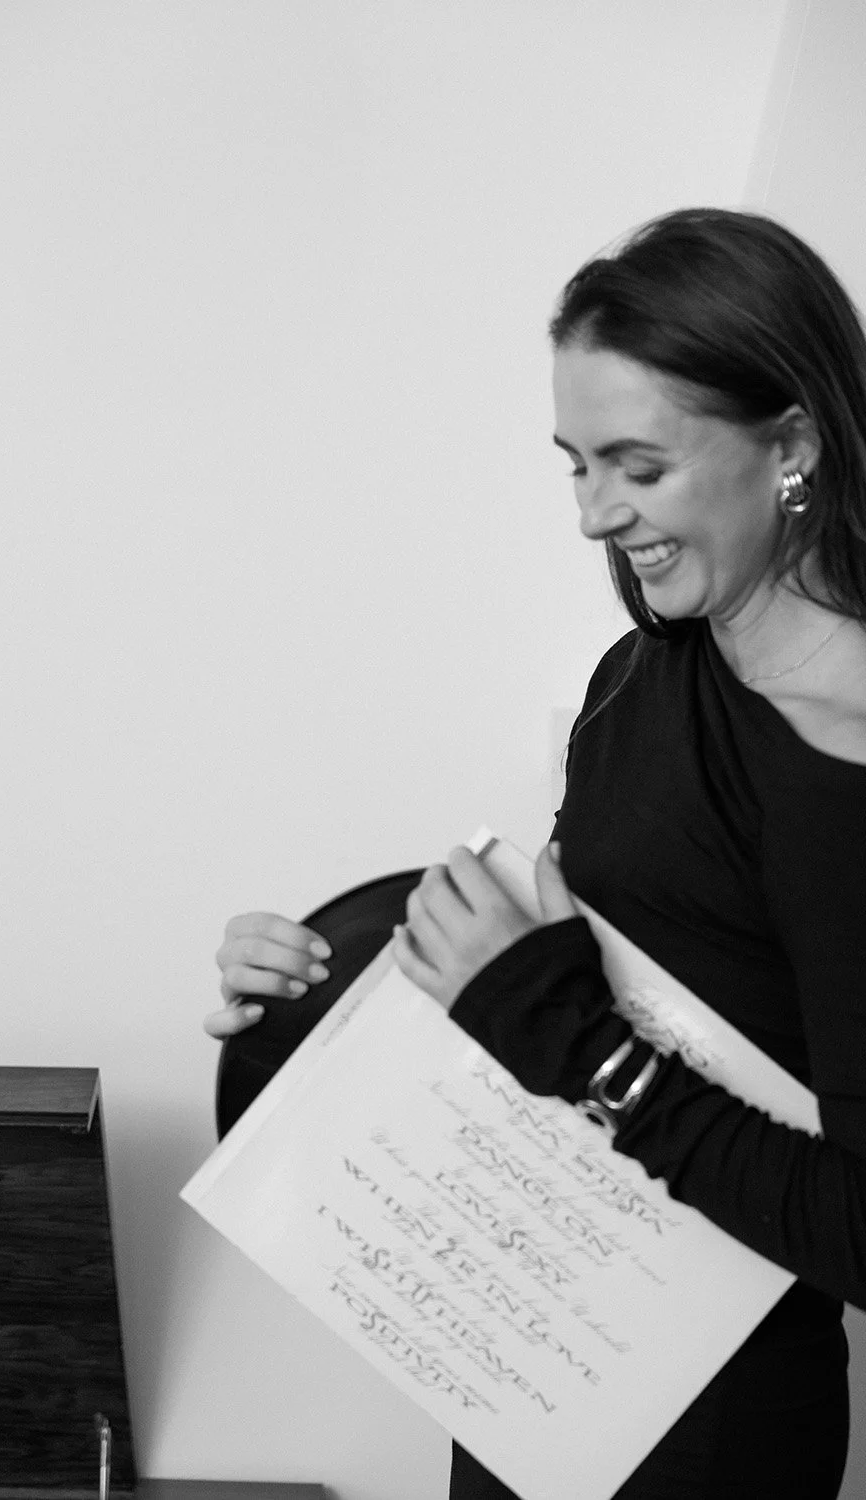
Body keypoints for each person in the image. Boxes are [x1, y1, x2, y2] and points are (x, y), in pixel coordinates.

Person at [206, 207, 866, 1499]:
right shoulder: (645, 670)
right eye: (574, 463)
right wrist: (324, 992)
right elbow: (607, 985)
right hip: (542, 1377)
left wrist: (569, 1035)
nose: (592, 515)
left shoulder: (850, 769)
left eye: (636, 465)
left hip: (713, 1433)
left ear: (791, 445)